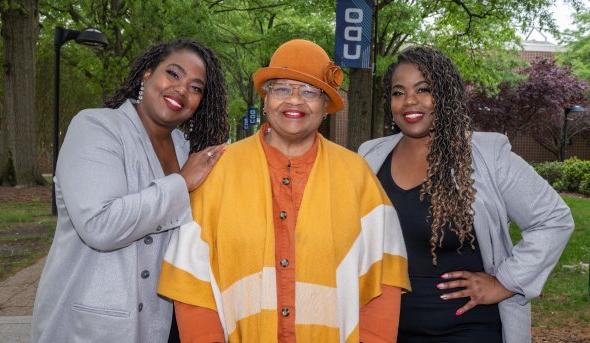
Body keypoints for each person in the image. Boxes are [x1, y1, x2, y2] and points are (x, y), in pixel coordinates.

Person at [158, 39, 411, 342]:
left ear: (325, 105)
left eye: (309, 91)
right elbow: (191, 282)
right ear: (265, 99)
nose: (295, 100)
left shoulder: (357, 175)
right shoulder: (219, 171)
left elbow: (383, 280)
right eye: (281, 89)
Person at [358, 46, 574, 343]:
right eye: (398, 92)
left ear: (446, 96)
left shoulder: (487, 155)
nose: (409, 101)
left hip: (468, 329)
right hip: (386, 328)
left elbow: (553, 218)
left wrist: (505, 282)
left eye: (423, 89)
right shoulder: (370, 156)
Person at [31, 39, 229, 342]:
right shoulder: (96, 127)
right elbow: (101, 225)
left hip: (156, 325)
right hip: (90, 327)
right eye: (173, 74)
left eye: (196, 88)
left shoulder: (186, 150)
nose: (181, 89)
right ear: (146, 74)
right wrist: (182, 183)